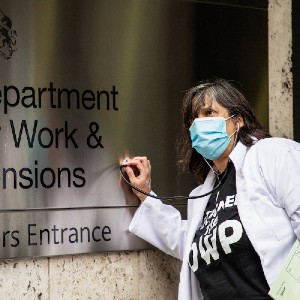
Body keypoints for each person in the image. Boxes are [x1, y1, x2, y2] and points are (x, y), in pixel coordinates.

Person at [122, 78, 300, 300]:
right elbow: (187, 242)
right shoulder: (202, 194)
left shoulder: (271, 155)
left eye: (209, 113)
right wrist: (145, 195)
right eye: (193, 119)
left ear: (238, 121)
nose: (199, 123)